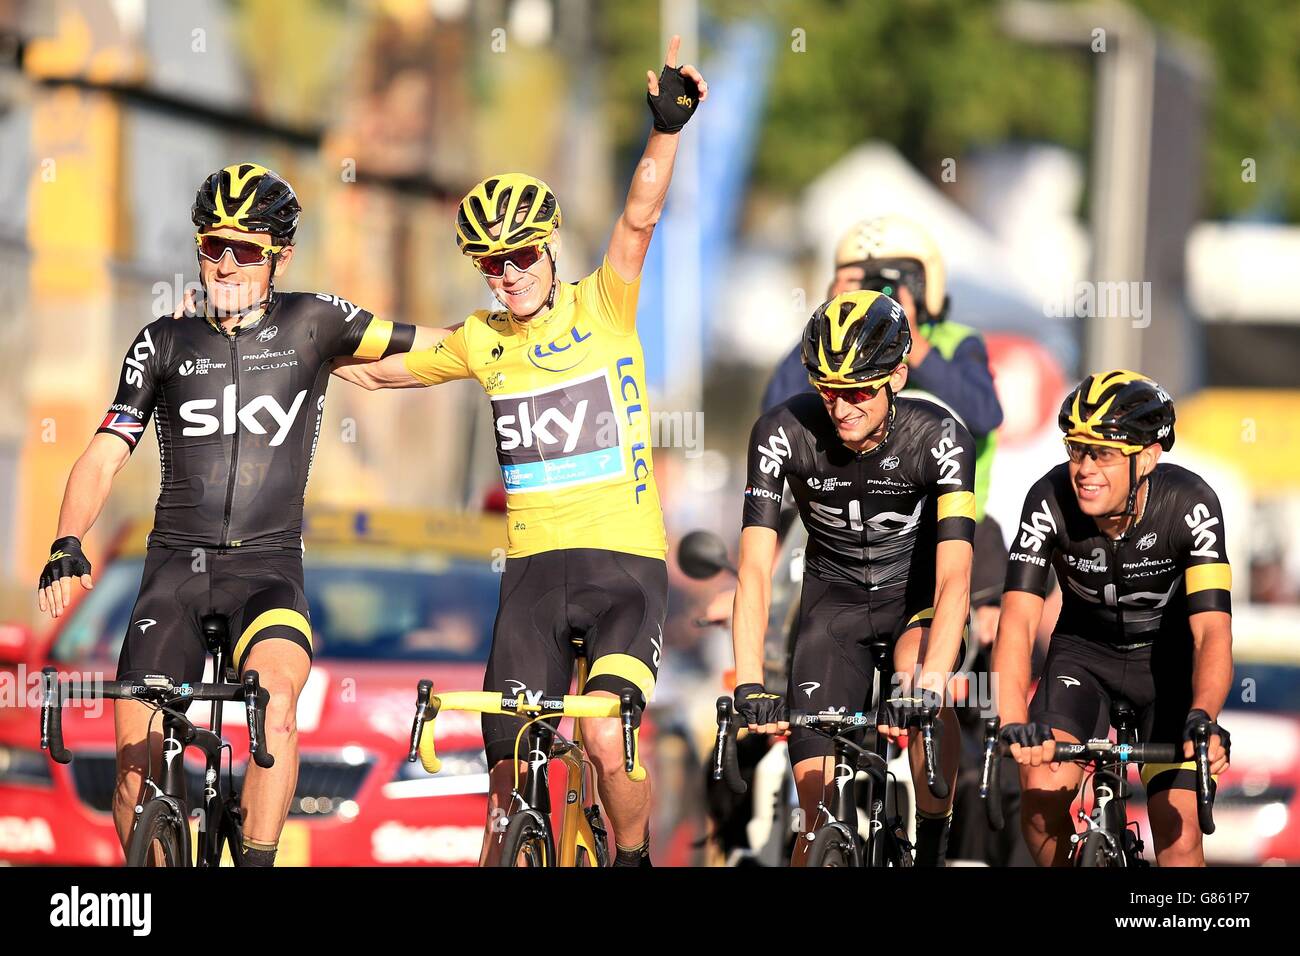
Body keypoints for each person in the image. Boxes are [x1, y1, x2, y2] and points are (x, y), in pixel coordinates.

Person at [330, 37, 707, 867]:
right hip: (534, 574)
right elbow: (384, 374)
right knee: (504, 771)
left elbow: (639, 216)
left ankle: (635, 857)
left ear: (550, 250)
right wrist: (301, 349)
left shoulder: (602, 306)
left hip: (623, 567)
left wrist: (667, 130)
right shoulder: (479, 340)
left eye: (522, 257)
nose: (509, 276)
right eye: (492, 265)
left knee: (605, 743)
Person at [37, 163, 433, 866]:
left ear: (279, 254)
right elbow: (103, 453)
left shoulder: (314, 322)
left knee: (275, 704)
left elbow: (423, 349)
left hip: (267, 570)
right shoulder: (162, 342)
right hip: (174, 573)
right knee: (133, 779)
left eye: (246, 249)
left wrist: (511, 342)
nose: (227, 263)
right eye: (213, 246)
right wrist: (67, 540)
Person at [729, 288, 977, 866]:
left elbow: (954, 581)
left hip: (914, 601)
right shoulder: (780, 432)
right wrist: (747, 683)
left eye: (859, 390)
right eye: (827, 389)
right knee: (813, 820)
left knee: (920, 683)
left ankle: (934, 843)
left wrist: (932, 686)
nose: (841, 408)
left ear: (897, 374)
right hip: (832, 607)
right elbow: (754, 571)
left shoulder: (940, 436)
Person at [992, 370, 1234, 866]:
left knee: (1178, 826)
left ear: (1146, 457)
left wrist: (1204, 715)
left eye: (1102, 453)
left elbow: (1211, 631)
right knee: (1040, 796)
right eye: (1076, 449)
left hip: (1164, 668)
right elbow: (1015, 622)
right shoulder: (1048, 501)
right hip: (1082, 659)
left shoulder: (1191, 505)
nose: (1083, 468)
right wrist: (1014, 723)